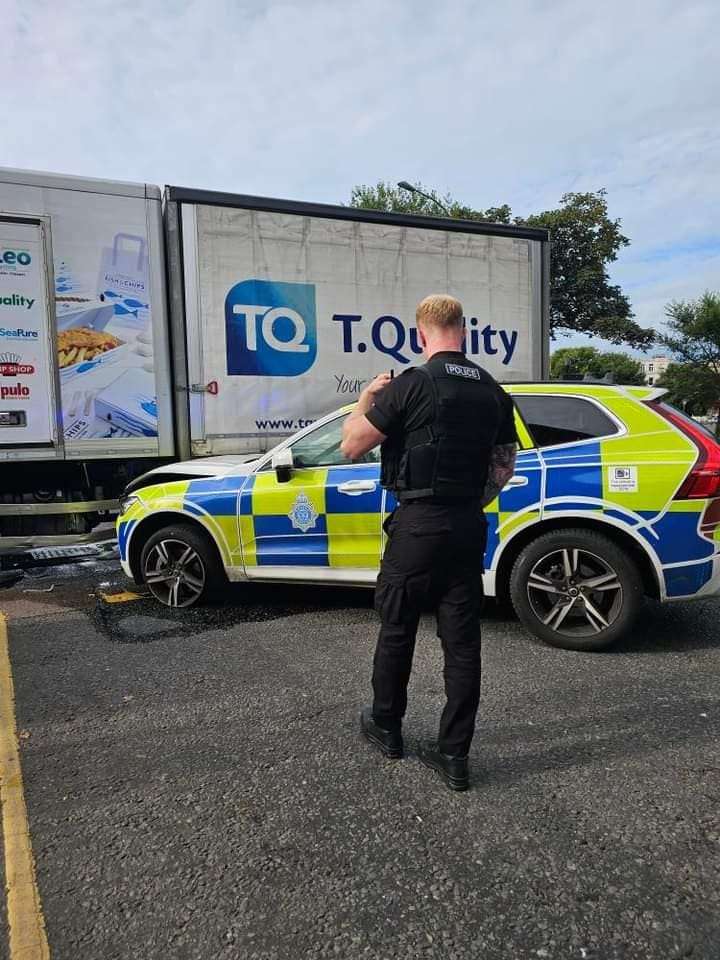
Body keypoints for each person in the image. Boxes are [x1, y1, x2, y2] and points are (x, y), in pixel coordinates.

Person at [341, 294, 517, 791]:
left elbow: (351, 445)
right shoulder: (493, 390)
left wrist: (365, 399)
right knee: (462, 643)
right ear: (465, 331)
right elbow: (504, 466)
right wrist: (468, 502)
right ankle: (455, 756)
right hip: (467, 524)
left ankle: (386, 726)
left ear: (420, 334)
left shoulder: (411, 384)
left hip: (418, 524)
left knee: (397, 627)